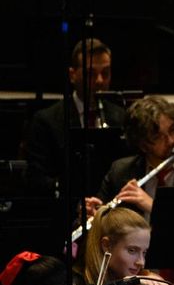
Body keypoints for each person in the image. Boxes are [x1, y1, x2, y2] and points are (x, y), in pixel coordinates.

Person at [24, 38, 126, 199]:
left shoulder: (121, 117)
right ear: (72, 75)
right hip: (65, 211)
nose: (100, 81)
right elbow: (36, 179)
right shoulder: (47, 120)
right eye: (90, 74)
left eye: (105, 73)